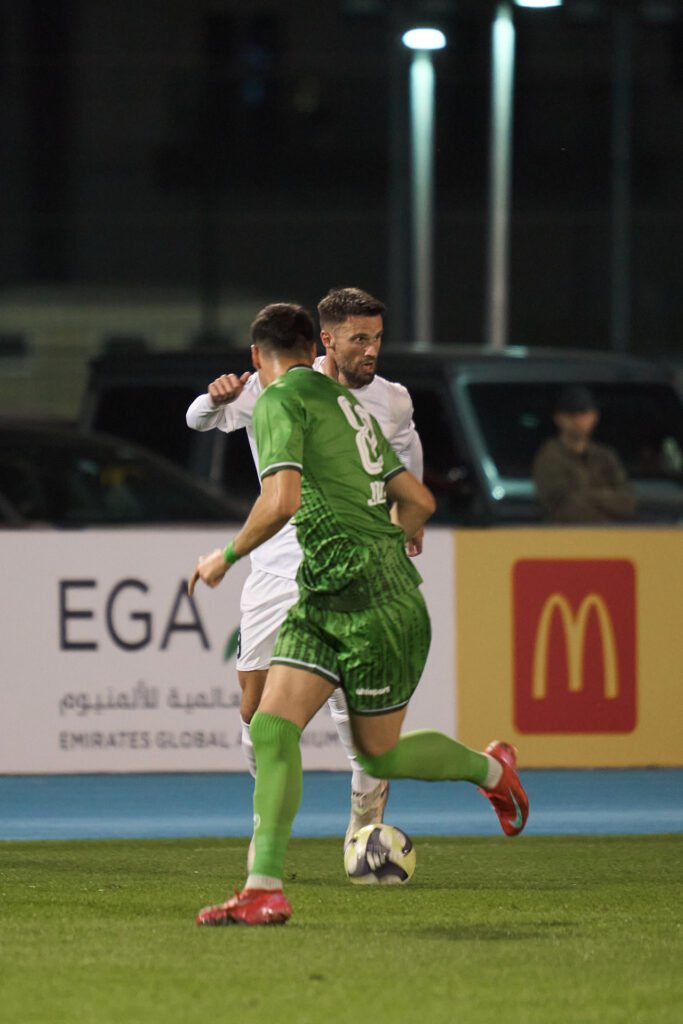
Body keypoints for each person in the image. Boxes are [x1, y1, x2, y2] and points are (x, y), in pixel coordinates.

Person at [187, 302, 529, 926]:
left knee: (378, 755)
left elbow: (282, 501)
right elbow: (419, 499)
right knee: (271, 726)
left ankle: (491, 771)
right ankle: (264, 888)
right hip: (324, 592)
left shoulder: (279, 399)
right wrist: (393, 534)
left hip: (373, 600)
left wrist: (224, 557)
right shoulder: (347, 406)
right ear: (314, 347)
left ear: (257, 357)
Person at [186, 287, 423, 849]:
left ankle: (364, 819)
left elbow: (407, 457)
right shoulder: (277, 387)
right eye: (359, 339)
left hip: (354, 568)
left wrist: (407, 520)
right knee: (255, 709)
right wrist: (215, 398)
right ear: (327, 341)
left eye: (377, 338)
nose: (371, 350)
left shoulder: (392, 400)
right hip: (276, 570)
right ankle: (269, 813)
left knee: (356, 707)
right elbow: (197, 419)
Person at [532, 385, 636, 523]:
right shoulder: (550, 457)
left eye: (583, 414)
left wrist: (588, 496)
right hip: (564, 534)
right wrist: (606, 498)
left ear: (594, 417)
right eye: (571, 415)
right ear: (558, 419)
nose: (577, 421)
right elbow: (563, 506)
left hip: (607, 534)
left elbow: (628, 502)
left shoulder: (605, 456)